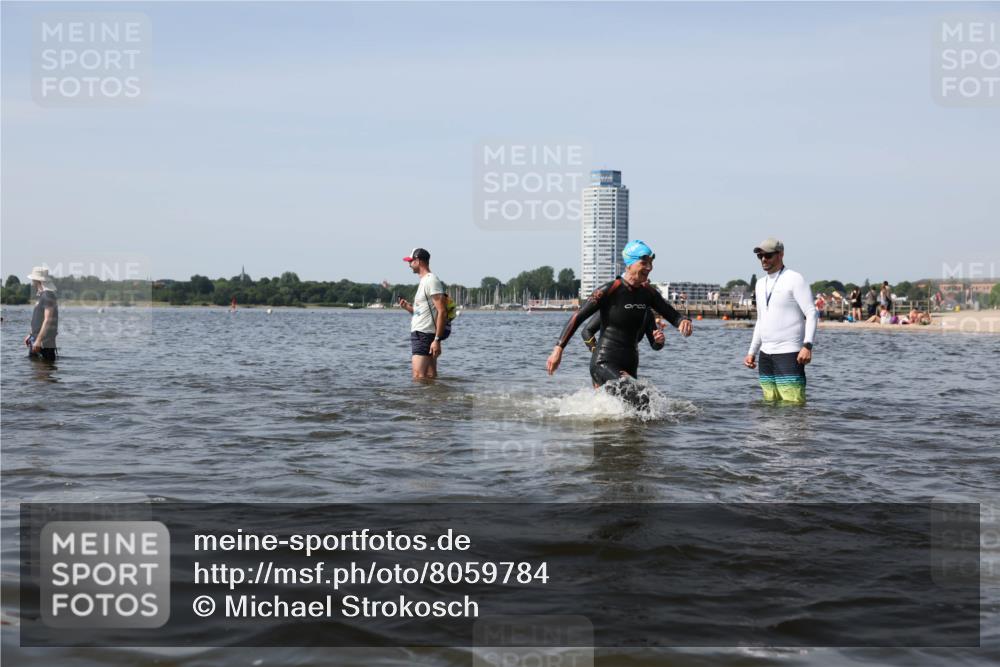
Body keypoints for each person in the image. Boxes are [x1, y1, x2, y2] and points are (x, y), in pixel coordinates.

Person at [546, 240, 692, 388]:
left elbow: (672, 315)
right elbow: (577, 318)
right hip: (604, 362)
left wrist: (682, 321)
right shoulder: (610, 290)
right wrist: (558, 349)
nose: (649, 267)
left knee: (643, 401)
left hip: (630, 366)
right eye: (644, 262)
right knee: (634, 392)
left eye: (651, 263)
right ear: (629, 264)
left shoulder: (648, 293)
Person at [743, 238, 817, 404]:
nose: (763, 259)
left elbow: (812, 313)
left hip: (789, 353)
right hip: (765, 355)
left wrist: (807, 346)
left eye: (768, 255)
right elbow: (761, 320)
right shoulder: (760, 284)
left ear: (780, 254)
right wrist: (752, 352)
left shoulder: (794, 279)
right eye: (760, 256)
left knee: (793, 405)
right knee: (769, 404)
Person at [397, 248, 448, 380]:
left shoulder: (431, 280)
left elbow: (442, 311)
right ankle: (435, 394)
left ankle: (421, 396)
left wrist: (437, 340)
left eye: (411, 261)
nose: (409, 265)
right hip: (424, 334)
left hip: (424, 334)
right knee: (429, 376)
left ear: (418, 261)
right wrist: (408, 307)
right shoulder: (424, 281)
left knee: (418, 376)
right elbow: (422, 313)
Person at [24, 266, 59, 362]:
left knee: (44, 370)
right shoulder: (42, 295)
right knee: (35, 369)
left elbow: (48, 320)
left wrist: (39, 340)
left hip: (44, 343)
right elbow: (39, 318)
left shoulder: (48, 295)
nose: (32, 281)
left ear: (37, 280)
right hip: (36, 340)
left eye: (33, 279)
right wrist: (31, 334)